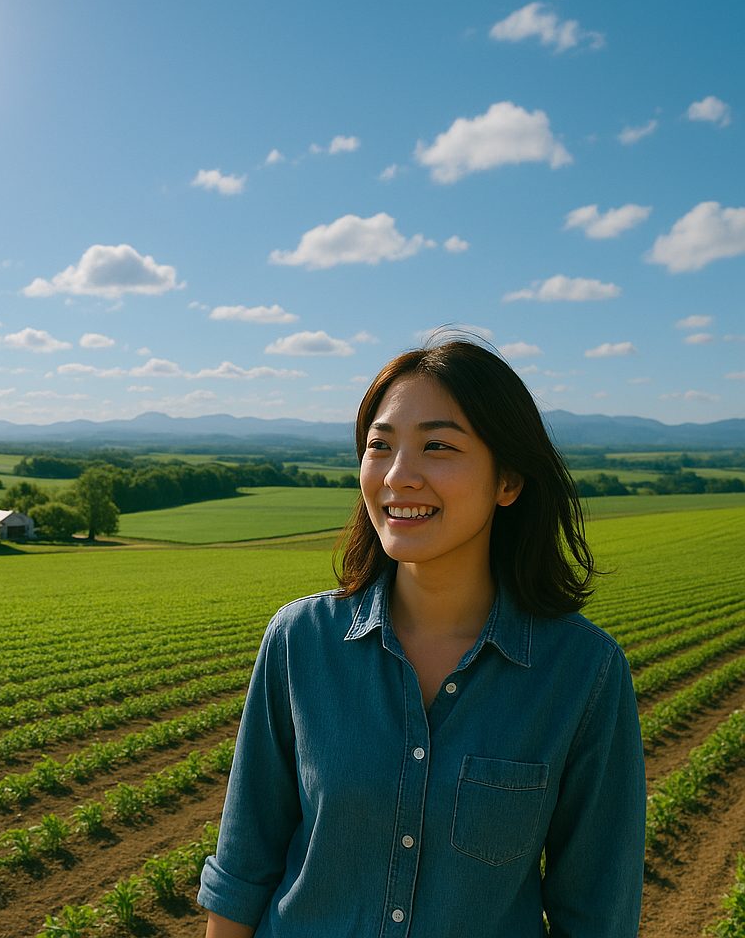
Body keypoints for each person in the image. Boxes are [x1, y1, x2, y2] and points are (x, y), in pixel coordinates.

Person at [198, 338, 645, 938]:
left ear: (507, 480)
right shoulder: (300, 643)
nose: (398, 476)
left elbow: (597, 914)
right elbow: (243, 868)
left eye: (438, 447)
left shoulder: (582, 673)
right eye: (380, 446)